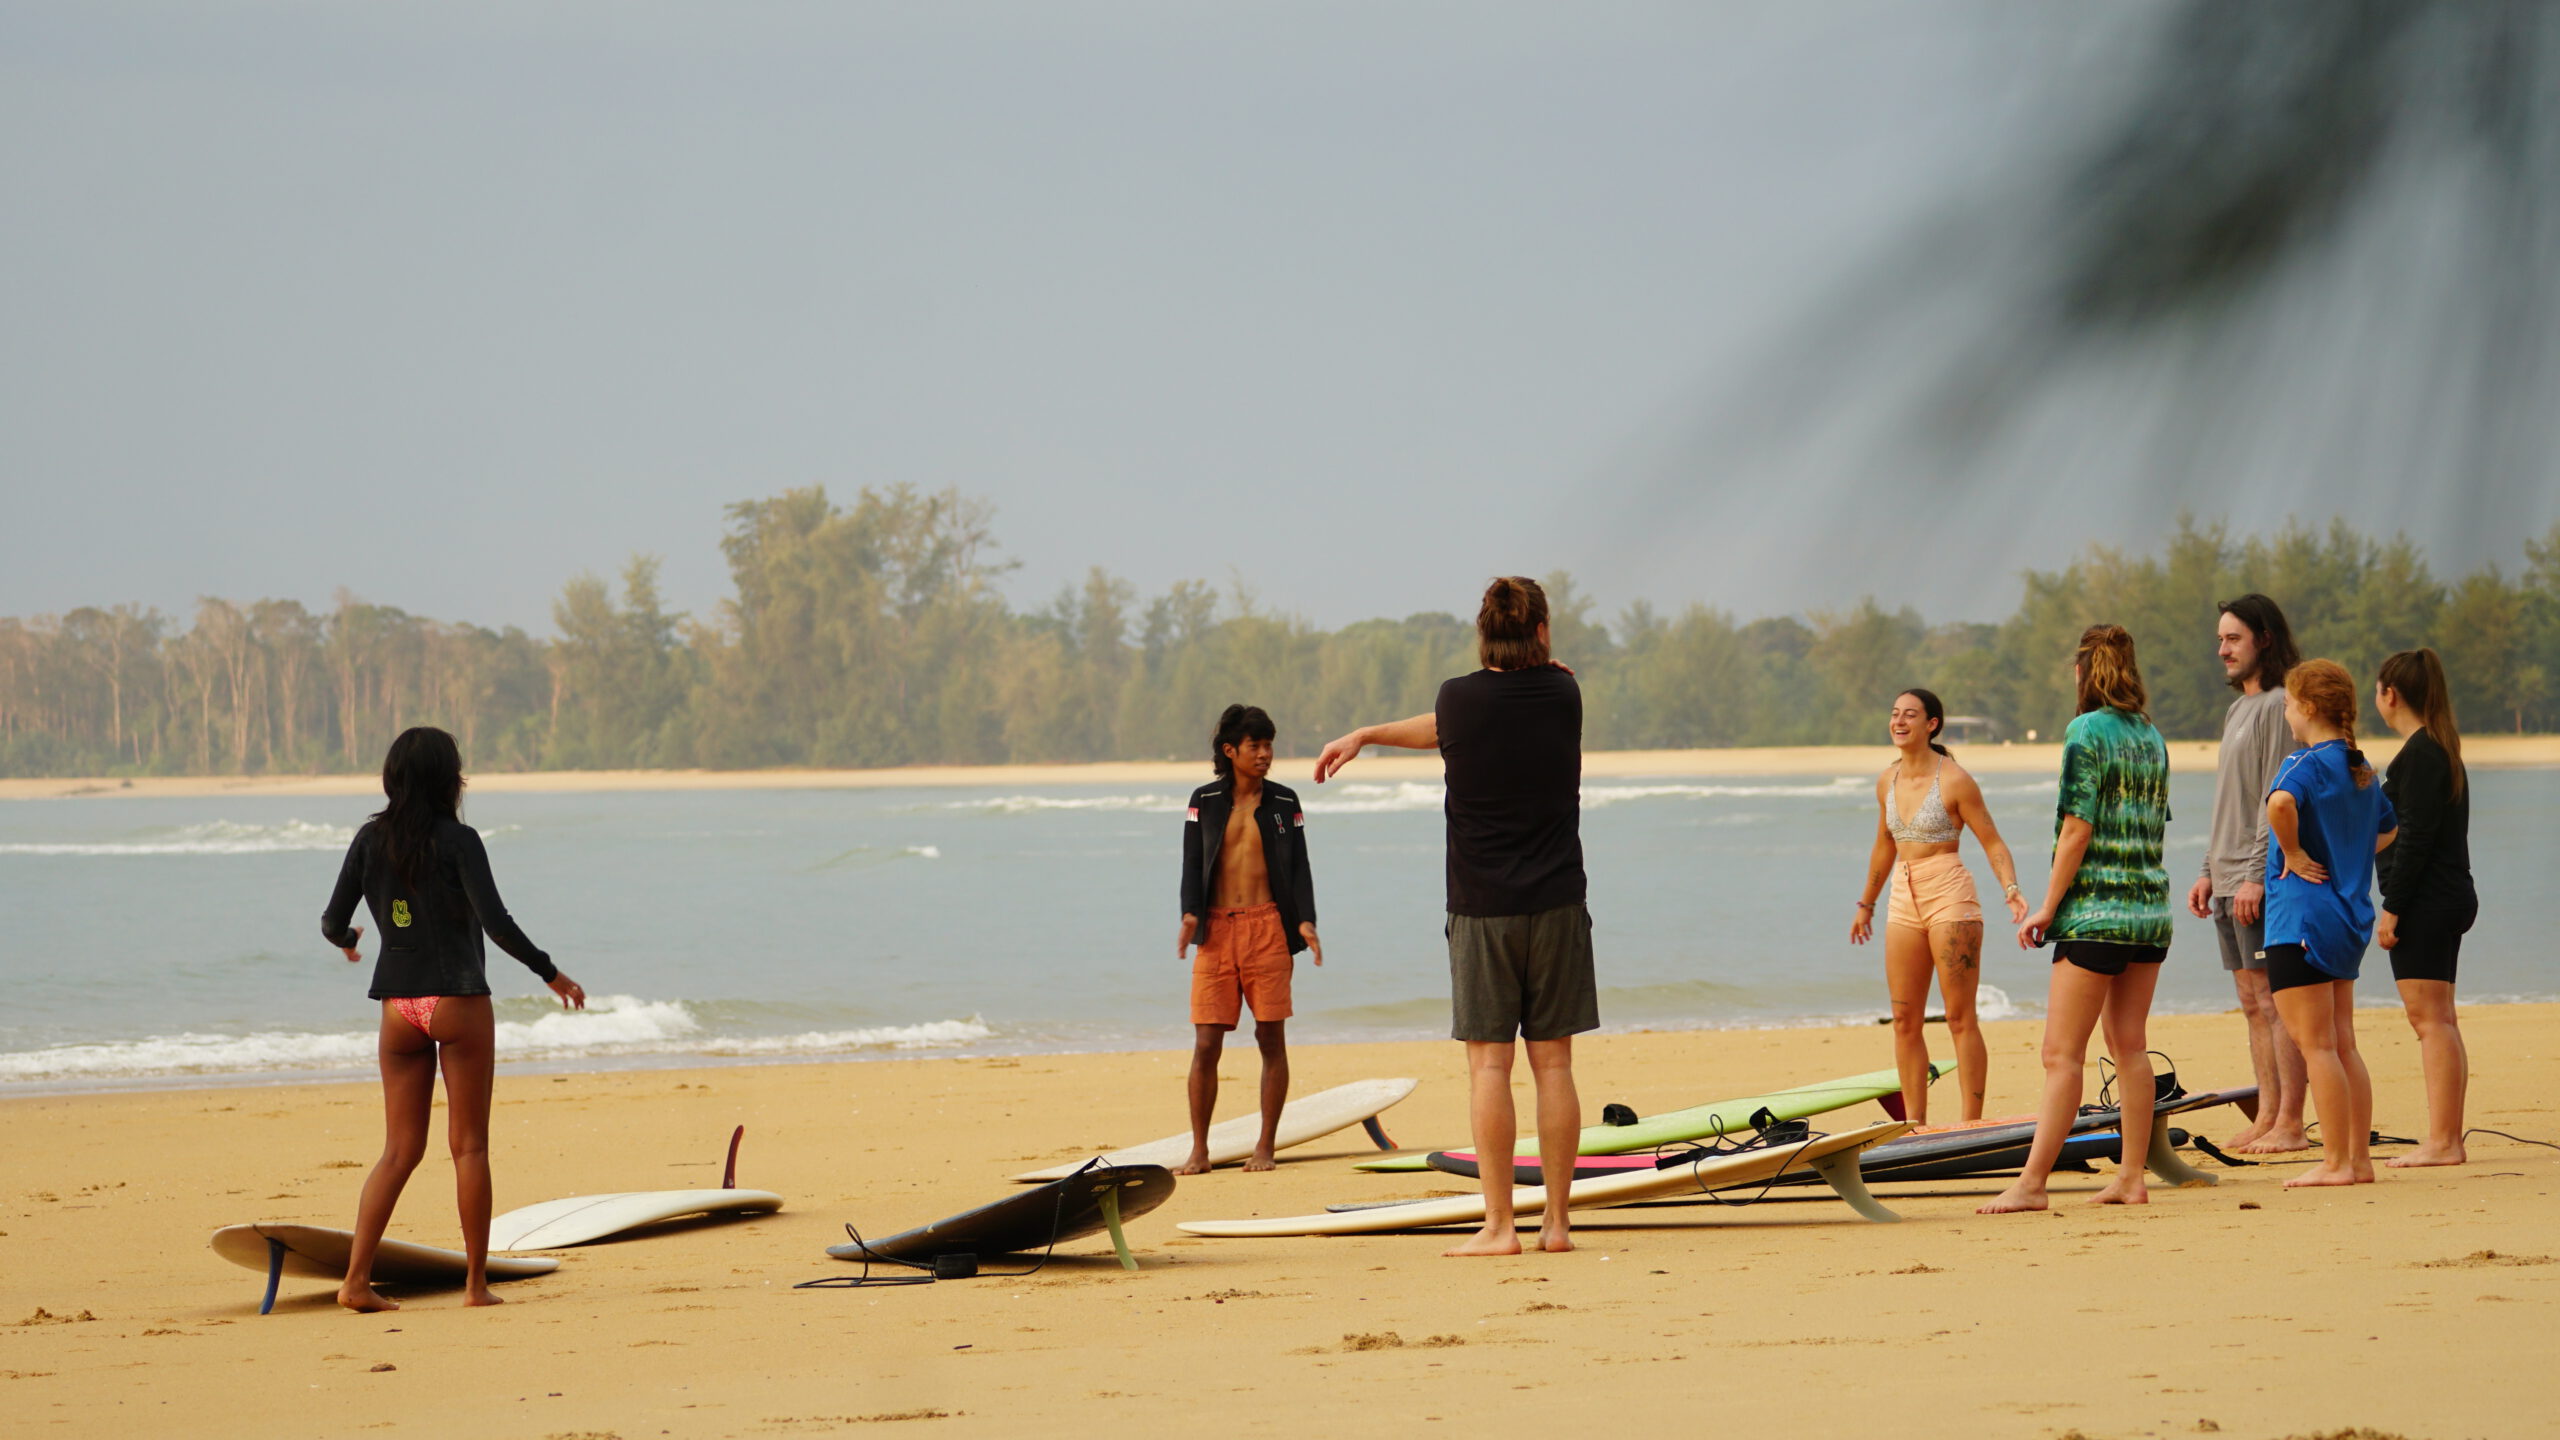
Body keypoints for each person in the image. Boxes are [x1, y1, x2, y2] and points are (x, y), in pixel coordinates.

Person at [1313, 576, 1593, 1257]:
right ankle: (1556, 1224)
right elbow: (1526, 689)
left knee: (1489, 1069)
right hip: (1557, 902)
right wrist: (1373, 734)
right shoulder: (1565, 695)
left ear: (1482, 632)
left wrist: (1367, 734)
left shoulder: (1458, 700)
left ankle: (1500, 1226)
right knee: (1553, 1066)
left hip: (1482, 909)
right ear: (1543, 631)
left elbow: (1444, 727)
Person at [320, 727, 584, 1312]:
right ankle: (473, 1287)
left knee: (398, 1152)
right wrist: (550, 973)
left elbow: (332, 920)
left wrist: (348, 939)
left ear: (391, 778)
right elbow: (496, 922)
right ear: (450, 781)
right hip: (457, 1001)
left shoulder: (369, 839)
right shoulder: (460, 840)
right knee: (468, 1148)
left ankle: (356, 1282)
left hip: (398, 1008)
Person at [1981, 625, 2173, 1214]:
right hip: (2150, 913)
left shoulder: (2085, 732)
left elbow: (2077, 828)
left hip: (2096, 914)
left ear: (2086, 670)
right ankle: (2132, 1176)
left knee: (2061, 1055)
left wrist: (2046, 906)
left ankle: (2033, 1183)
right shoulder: (2151, 735)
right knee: (2130, 1046)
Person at [1850, 687, 2029, 1126]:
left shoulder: (1954, 779)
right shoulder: (1885, 780)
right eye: (1894, 714)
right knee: (1904, 1019)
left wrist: (2011, 888)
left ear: (1932, 724)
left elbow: (1991, 839)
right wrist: (1866, 904)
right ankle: (1915, 1124)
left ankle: (1971, 1124)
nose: (1899, 721)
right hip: (1901, 897)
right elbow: (1883, 846)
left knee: (1958, 1016)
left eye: (1910, 715)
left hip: (1949, 891)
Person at [2262, 659, 2398, 1189]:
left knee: (2316, 1044)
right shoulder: (2359, 767)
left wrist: (2293, 851)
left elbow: (2279, 804)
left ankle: (2339, 1161)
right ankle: (2356, 1159)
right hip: (2348, 917)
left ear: (2310, 708)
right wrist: (2347, 851)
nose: (2288, 713)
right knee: (2342, 1042)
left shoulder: (2307, 762)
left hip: (2301, 916)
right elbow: (2387, 831)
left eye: (2291, 704)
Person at [2183, 594, 2309, 1154]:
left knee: (2276, 999)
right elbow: (2228, 801)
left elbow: (2272, 800)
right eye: (2220, 639)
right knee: (2252, 1001)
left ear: (2264, 638)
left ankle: (2290, 1122)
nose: (2223, 650)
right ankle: (2266, 1114)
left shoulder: (2280, 705)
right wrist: (2209, 869)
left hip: (2260, 879)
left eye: (2233, 638)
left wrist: (2257, 874)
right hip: (2227, 878)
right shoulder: (2238, 710)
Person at [1176, 703, 1323, 1174]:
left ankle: (1265, 1146)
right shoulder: (1204, 800)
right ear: (1230, 750)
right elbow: (1191, 864)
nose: (1264, 754)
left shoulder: (1284, 802)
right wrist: (1189, 915)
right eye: (1254, 746)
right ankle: (1199, 1150)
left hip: (1267, 927)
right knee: (1205, 1044)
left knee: (1270, 1036)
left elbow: (1300, 866)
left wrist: (1305, 921)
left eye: (1268, 745)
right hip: (1216, 931)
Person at [2373, 648, 2478, 1168]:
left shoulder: (2420, 755)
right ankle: (2448, 1137)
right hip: (2447, 896)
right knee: (2441, 1018)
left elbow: (2414, 839)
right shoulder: (2437, 749)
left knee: (2429, 1020)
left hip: (2428, 901)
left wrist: (2391, 908)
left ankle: (2443, 1141)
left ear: (2390, 694)